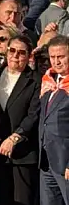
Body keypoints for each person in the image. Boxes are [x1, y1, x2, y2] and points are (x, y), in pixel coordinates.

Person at [0, 35, 40, 205]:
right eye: (12, 50)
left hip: (23, 153)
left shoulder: (35, 80)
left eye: (21, 53)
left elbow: (33, 114)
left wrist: (15, 137)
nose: (15, 56)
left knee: (22, 199)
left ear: (29, 56)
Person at [39, 35, 69, 205]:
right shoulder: (48, 82)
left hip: (65, 161)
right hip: (46, 160)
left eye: (61, 56)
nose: (56, 62)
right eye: (53, 57)